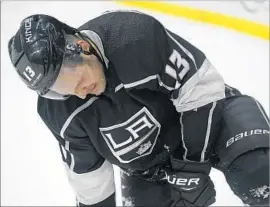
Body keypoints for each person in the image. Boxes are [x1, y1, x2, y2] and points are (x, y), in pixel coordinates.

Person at [8, 10, 269, 207]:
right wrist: (181, 176)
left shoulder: (134, 37)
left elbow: (201, 92)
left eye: (73, 79)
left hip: (214, 115)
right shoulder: (61, 111)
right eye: (59, 88)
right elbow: (92, 185)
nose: (77, 91)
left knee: (259, 173)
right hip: (154, 168)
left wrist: (192, 167)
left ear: (82, 48)